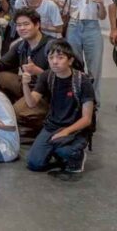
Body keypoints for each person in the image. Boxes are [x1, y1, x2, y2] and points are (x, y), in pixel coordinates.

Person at [24, 40, 95, 181]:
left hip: (75, 129)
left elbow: (87, 119)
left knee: (65, 151)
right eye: (51, 58)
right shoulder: (47, 76)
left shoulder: (82, 81)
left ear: (70, 60)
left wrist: (66, 131)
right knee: (34, 163)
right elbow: (31, 103)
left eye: (60, 57)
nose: (55, 62)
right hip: (52, 126)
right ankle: (57, 151)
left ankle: (76, 156)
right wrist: (25, 85)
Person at [0, 9, 52, 136]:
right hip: (27, 85)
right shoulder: (21, 45)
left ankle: (37, 123)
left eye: (26, 24)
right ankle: (1, 109)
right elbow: (3, 64)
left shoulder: (52, 46)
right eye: (19, 25)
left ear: (37, 25)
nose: (22, 28)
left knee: (13, 114)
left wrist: (39, 72)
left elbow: (64, 77)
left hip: (44, 94)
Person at [52, 0, 110, 104]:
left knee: (95, 66)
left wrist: (101, 4)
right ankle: (76, 98)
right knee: (74, 63)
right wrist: (62, 5)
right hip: (73, 26)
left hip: (92, 27)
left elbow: (102, 16)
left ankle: (93, 101)